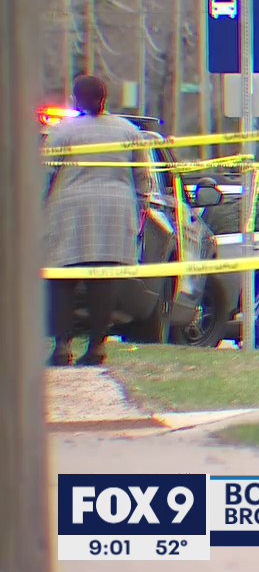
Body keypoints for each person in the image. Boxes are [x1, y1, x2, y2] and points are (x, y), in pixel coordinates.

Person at [44, 75, 154, 367]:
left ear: (77, 99)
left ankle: (62, 345)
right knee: (103, 284)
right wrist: (140, 208)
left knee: (61, 281)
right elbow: (144, 178)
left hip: (69, 213)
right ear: (105, 98)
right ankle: (97, 348)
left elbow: (45, 175)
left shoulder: (62, 132)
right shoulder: (128, 131)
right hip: (115, 214)